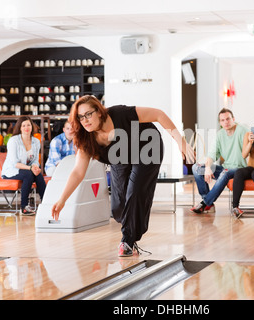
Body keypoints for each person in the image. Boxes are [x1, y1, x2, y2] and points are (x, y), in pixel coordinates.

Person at [50, 95, 195, 257]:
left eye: (88, 114)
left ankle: (127, 241)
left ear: (98, 111)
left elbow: (158, 114)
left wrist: (181, 142)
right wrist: (62, 199)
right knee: (118, 207)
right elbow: (78, 172)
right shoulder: (85, 139)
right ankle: (130, 232)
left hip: (147, 147)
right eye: (80, 117)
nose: (85, 120)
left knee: (135, 191)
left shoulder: (120, 114)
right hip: (121, 157)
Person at [191, 108, 247, 213]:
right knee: (197, 168)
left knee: (225, 172)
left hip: (240, 169)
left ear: (233, 119)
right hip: (226, 168)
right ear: (220, 122)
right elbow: (211, 154)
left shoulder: (242, 130)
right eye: (222, 120)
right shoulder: (220, 134)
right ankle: (209, 203)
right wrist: (207, 168)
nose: (226, 122)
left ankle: (204, 203)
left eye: (228, 119)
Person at [2, 115, 46, 215]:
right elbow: (15, 163)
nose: (26, 128)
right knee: (29, 174)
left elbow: (35, 160)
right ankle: (24, 207)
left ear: (32, 126)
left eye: (28, 125)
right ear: (20, 128)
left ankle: (45, 203)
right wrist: (31, 168)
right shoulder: (13, 141)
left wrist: (35, 167)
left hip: (27, 169)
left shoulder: (36, 141)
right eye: (23, 126)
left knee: (38, 174)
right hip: (12, 170)